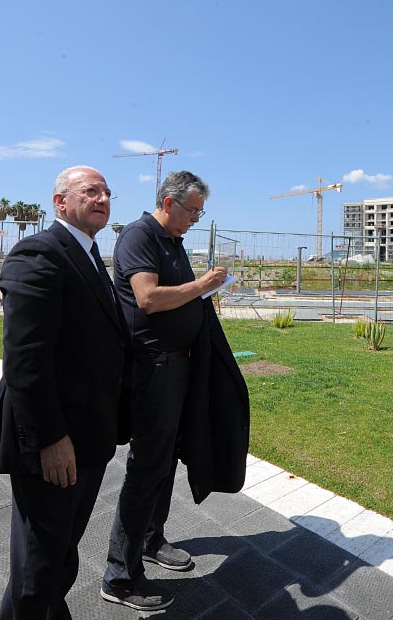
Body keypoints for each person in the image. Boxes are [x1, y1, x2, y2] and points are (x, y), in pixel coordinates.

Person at [101, 170, 250, 611]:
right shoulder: (138, 236)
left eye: (199, 213)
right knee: (147, 468)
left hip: (180, 368)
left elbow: (179, 297)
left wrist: (206, 290)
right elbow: (147, 298)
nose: (194, 220)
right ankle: (119, 575)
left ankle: (151, 539)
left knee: (166, 462)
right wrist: (202, 285)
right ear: (169, 203)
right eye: (192, 211)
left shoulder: (174, 242)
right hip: (153, 372)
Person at [0, 165, 131, 619]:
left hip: (87, 436)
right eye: (90, 191)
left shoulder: (89, 254)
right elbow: (25, 361)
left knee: (60, 552)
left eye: (107, 193)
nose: (103, 199)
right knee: (38, 567)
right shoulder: (39, 252)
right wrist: (49, 439)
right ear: (60, 203)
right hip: (55, 442)